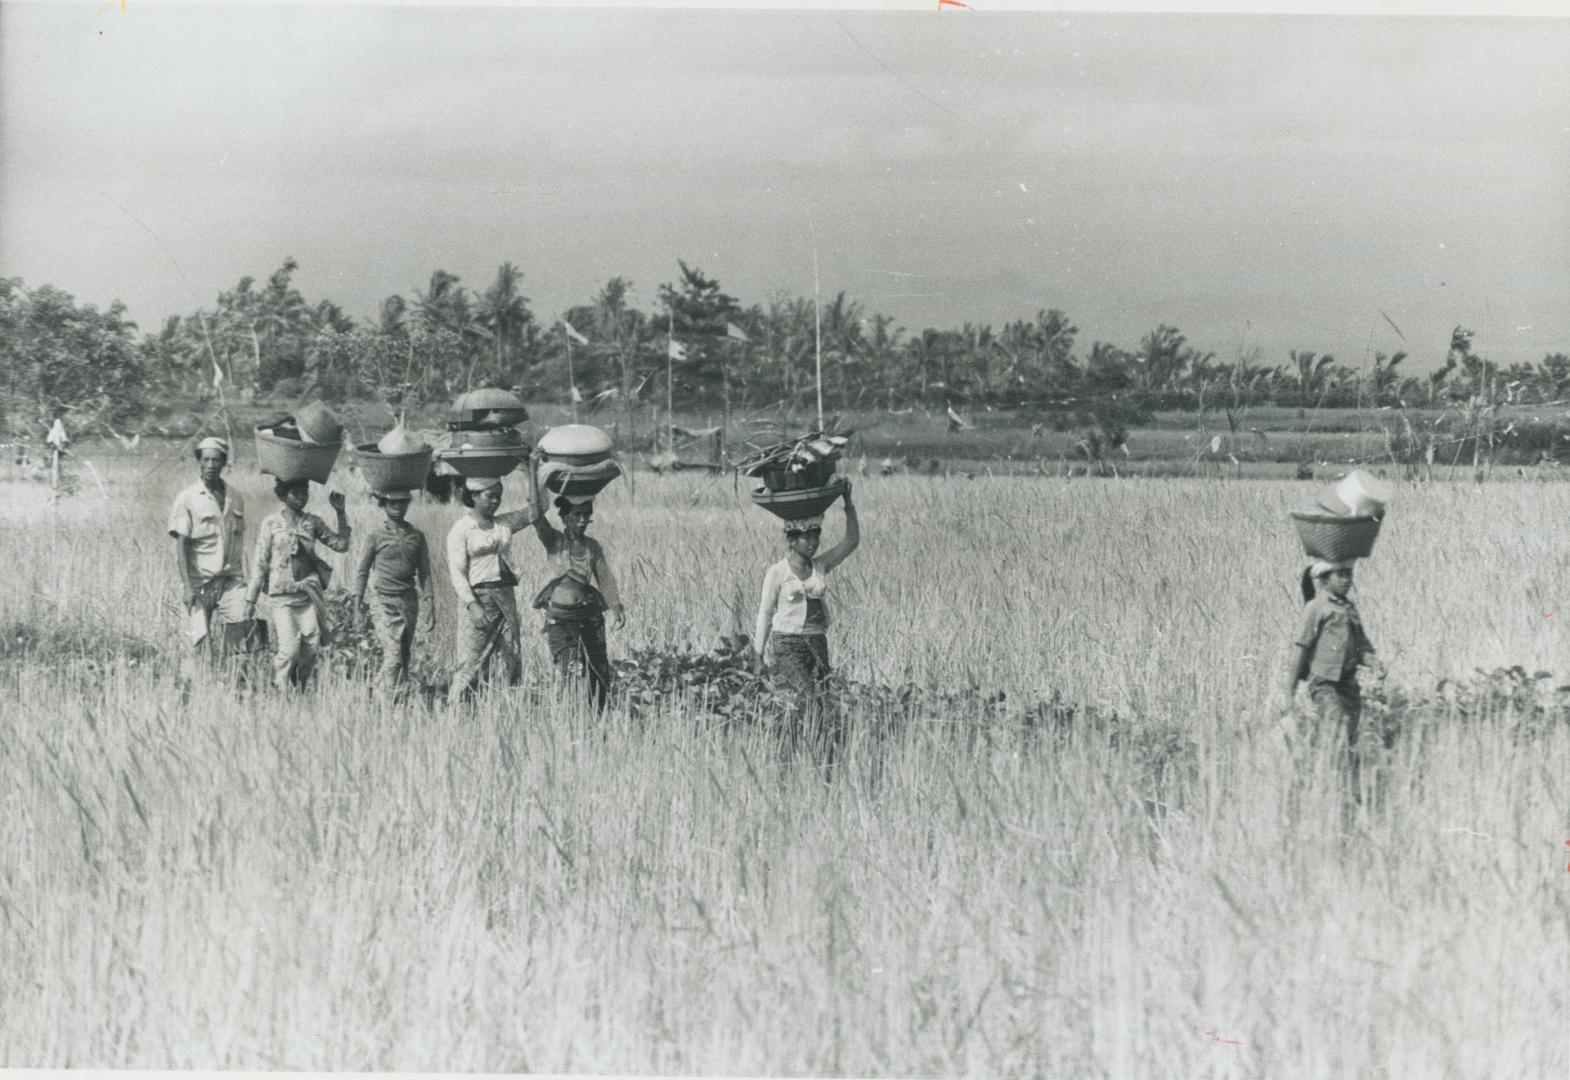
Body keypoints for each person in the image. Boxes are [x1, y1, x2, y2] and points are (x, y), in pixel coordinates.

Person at [526, 460, 624, 712]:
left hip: (589, 617)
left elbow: (605, 577)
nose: (581, 521)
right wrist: (533, 470)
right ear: (565, 517)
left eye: (586, 515)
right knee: (570, 672)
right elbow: (535, 516)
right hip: (561, 620)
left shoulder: (592, 546)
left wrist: (616, 606)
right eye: (576, 515)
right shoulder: (554, 541)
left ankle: (596, 719)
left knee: (598, 673)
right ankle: (568, 720)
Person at [1284, 558, 1387, 795]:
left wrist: (1374, 663)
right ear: (1323, 580)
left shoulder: (1350, 609)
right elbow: (1301, 649)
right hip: (1324, 683)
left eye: (1348, 575)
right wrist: (1289, 692)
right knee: (1337, 729)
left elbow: (1362, 646)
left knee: (1348, 738)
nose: (1346, 580)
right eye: (1340, 575)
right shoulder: (1315, 608)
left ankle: (1345, 790)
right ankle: (1330, 787)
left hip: (1348, 685)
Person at [751, 482, 860, 697]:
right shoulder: (778, 572)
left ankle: (804, 731)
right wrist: (757, 656)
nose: (813, 543)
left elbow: (851, 541)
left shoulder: (819, 566)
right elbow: (765, 614)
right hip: (788, 643)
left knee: (821, 699)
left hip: (818, 642)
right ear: (792, 540)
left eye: (816, 536)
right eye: (806, 538)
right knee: (806, 697)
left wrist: (848, 503)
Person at [243, 479, 351, 691]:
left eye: (304, 492)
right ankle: (279, 688)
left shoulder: (312, 522)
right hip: (281, 596)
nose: (301, 497)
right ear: (283, 496)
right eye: (295, 493)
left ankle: (301, 687)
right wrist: (250, 599)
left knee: (312, 645)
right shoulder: (271, 524)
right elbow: (260, 563)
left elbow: (341, 545)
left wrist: (340, 512)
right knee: (290, 648)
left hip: (307, 595)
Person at [446, 476, 537, 699]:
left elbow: (537, 510)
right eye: (490, 496)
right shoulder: (461, 530)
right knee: (471, 659)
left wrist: (532, 469)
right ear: (475, 496)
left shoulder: (504, 524)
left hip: (505, 596)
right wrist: (471, 605)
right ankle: (457, 710)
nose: (495, 501)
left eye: (498, 496)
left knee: (510, 656)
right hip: (478, 598)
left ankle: (506, 706)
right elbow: (457, 573)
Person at [168, 437, 250, 662]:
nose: (211, 465)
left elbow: (238, 542)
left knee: (241, 644)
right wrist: (187, 586)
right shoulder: (188, 498)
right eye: (206, 460)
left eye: (216, 460)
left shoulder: (236, 498)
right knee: (197, 649)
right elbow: (181, 546)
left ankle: (236, 690)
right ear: (199, 462)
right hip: (199, 583)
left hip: (231, 582)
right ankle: (198, 692)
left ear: (224, 462)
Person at [352, 488, 433, 693]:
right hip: (383, 600)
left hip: (409, 600)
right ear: (383, 505)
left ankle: (379, 694)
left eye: (402, 502)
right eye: (392, 503)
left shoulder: (417, 536)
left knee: (404, 656)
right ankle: (386, 701)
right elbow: (361, 572)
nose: (398, 507)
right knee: (393, 654)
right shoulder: (375, 537)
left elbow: (424, 572)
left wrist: (430, 603)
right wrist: (356, 606)